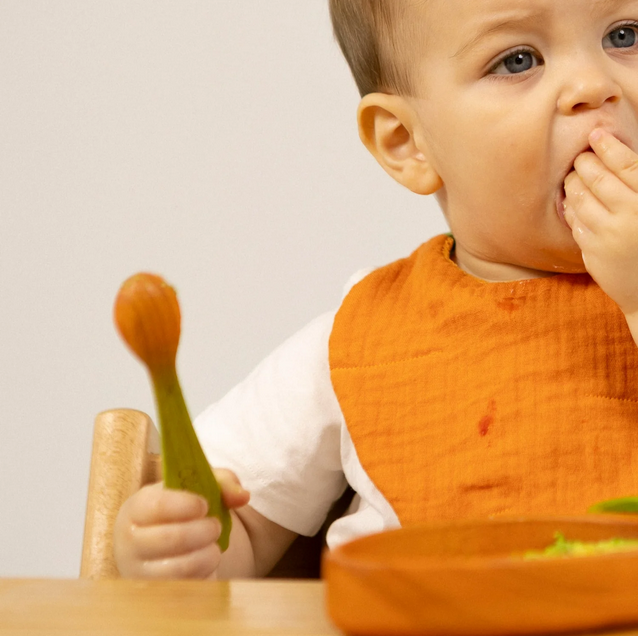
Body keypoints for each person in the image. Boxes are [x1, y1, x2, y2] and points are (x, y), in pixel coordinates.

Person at [113, 0, 638, 579]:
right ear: (407, 142)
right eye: (517, 60)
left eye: (625, 34)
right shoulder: (361, 337)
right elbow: (238, 519)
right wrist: (184, 544)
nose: (594, 85)